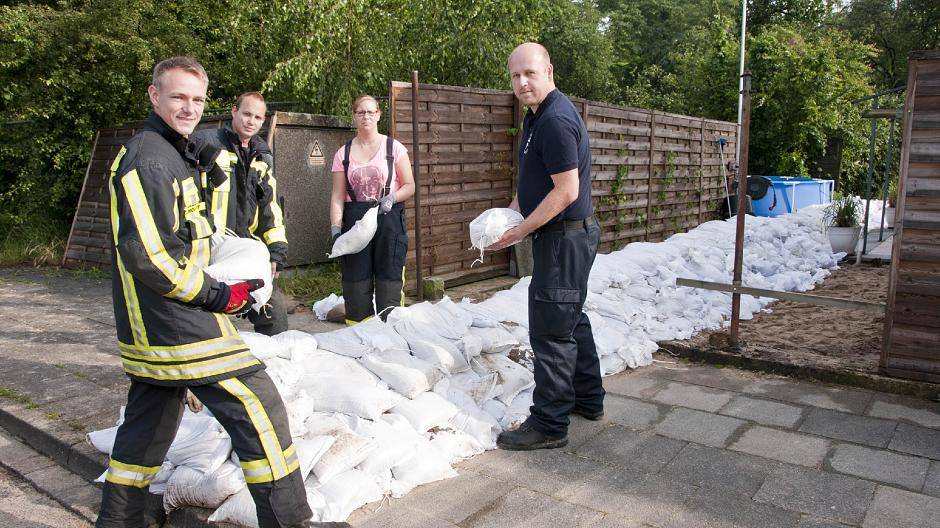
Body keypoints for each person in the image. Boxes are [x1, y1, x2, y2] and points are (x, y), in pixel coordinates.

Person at [99, 57, 327, 528]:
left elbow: (189, 234)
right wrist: (219, 295)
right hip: (173, 317)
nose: (189, 108)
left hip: (159, 319)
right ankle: (289, 521)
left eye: (197, 99)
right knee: (257, 403)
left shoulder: (174, 153)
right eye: (178, 97)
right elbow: (152, 256)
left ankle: (121, 520)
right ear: (154, 95)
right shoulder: (148, 160)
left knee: (148, 426)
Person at [487, 43, 605, 450]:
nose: (522, 82)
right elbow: (534, 180)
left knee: (552, 329)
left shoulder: (554, 120)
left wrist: (520, 232)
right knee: (570, 316)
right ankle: (588, 399)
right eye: (515, 75)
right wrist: (511, 214)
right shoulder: (536, 116)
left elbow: (566, 191)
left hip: (564, 239)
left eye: (530, 73)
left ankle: (549, 424)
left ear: (549, 71)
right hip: (565, 237)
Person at [192, 91, 289, 336]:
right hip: (208, 248)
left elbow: (270, 209)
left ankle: (274, 356)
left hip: (245, 249)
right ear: (234, 111)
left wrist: (277, 252)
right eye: (246, 114)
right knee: (205, 316)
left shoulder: (262, 156)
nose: (251, 121)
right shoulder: (206, 144)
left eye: (257, 117)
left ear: (263, 120)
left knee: (274, 315)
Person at [329, 95, 415, 324]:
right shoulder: (343, 154)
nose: (365, 116)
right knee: (356, 284)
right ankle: (360, 333)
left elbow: (410, 185)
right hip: (355, 224)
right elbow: (337, 196)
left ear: (378, 114)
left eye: (370, 112)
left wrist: (392, 197)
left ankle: (391, 331)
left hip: (389, 220)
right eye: (360, 112)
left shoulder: (394, 148)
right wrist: (335, 230)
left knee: (389, 280)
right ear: (354, 116)